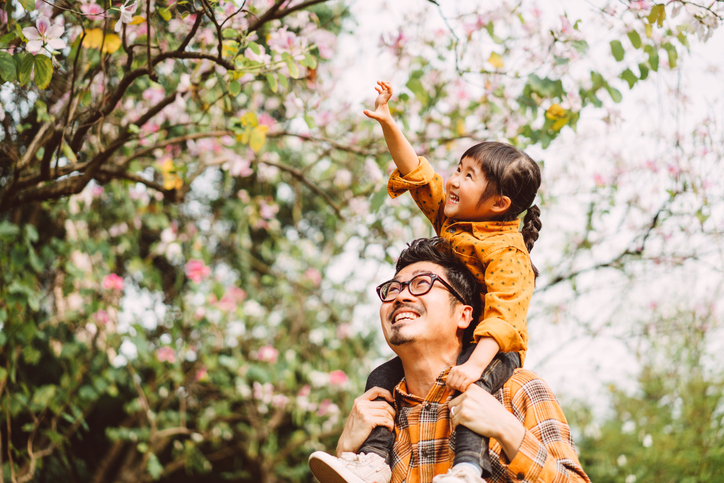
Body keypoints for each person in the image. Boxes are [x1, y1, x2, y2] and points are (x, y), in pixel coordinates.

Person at [311, 81, 543, 482]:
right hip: (466, 349)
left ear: (499, 204)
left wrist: (475, 369)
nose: (453, 180)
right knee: (377, 379)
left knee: (474, 395)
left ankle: (467, 469)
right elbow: (418, 175)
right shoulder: (454, 221)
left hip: (493, 351)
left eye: (469, 176)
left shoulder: (509, 254)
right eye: (458, 168)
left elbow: (506, 316)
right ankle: (372, 464)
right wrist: (388, 122)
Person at [309, 238, 590, 483]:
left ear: (464, 315)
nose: (401, 296)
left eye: (422, 284)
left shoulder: (517, 390)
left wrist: (507, 430)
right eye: (392, 290)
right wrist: (345, 449)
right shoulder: (374, 419)